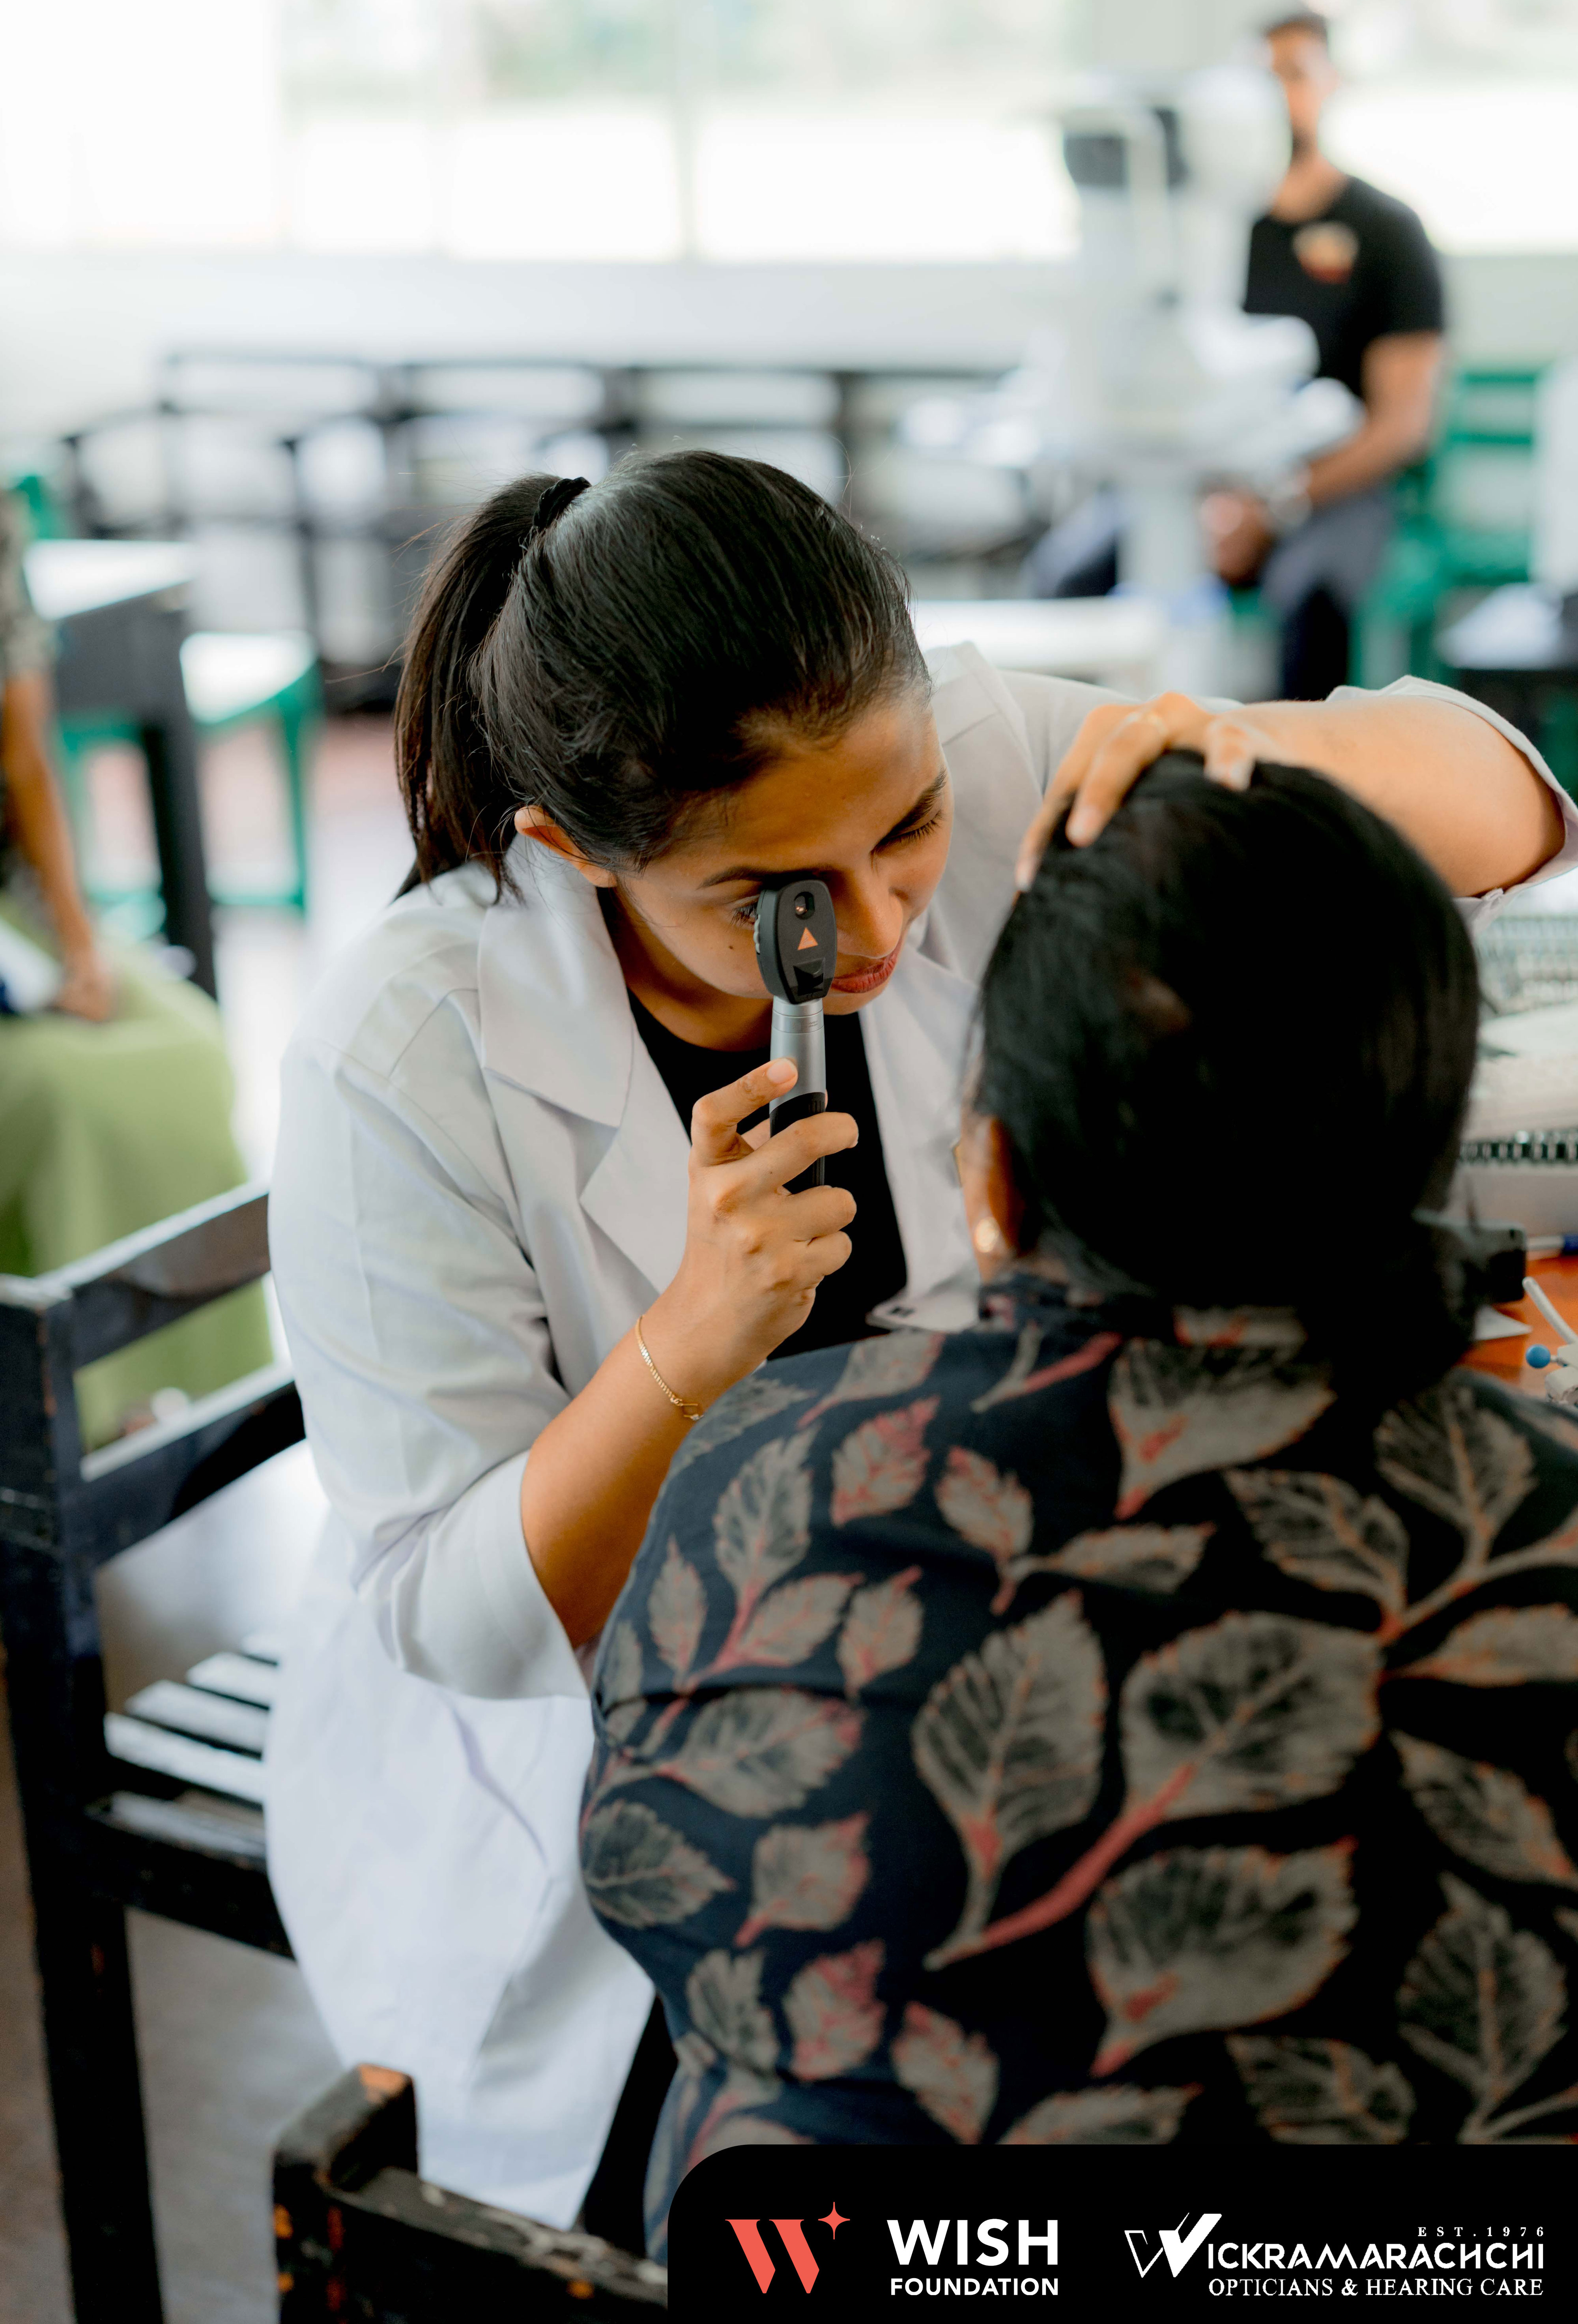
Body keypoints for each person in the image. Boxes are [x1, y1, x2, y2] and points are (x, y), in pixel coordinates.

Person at [265, 448, 1574, 2236]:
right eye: (772, 894)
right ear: (575, 850)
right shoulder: (402, 1053)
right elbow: (452, 1618)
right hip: (603, 1764)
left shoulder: (978, 747)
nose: (878, 926)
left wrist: (1245, 747)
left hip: (1011, 1595)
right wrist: (688, 1342)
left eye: (904, 835)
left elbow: (1510, 809)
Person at [587, 753, 1578, 2249]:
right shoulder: (1544, 1528)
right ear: (1441, 1164)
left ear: (992, 1173)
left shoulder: (759, 1478)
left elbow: (649, 1884)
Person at [0, 487, 269, 1445]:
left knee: (187, 1047)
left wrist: (78, 948)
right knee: (66, 1099)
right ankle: (61, 1420)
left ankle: (171, 1411)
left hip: (12, 921)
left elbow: (25, 761)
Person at [1206, 7, 1446, 698]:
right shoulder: (1214, 233)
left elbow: (1403, 423)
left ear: (1332, 83)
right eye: (1259, 78)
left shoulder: (1388, 234)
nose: (1277, 95)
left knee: (1313, 596)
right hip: (1213, 480)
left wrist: (1275, 504)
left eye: (1295, 74)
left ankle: (1298, 797)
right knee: (1078, 569)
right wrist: (1221, 505)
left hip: (1340, 487)